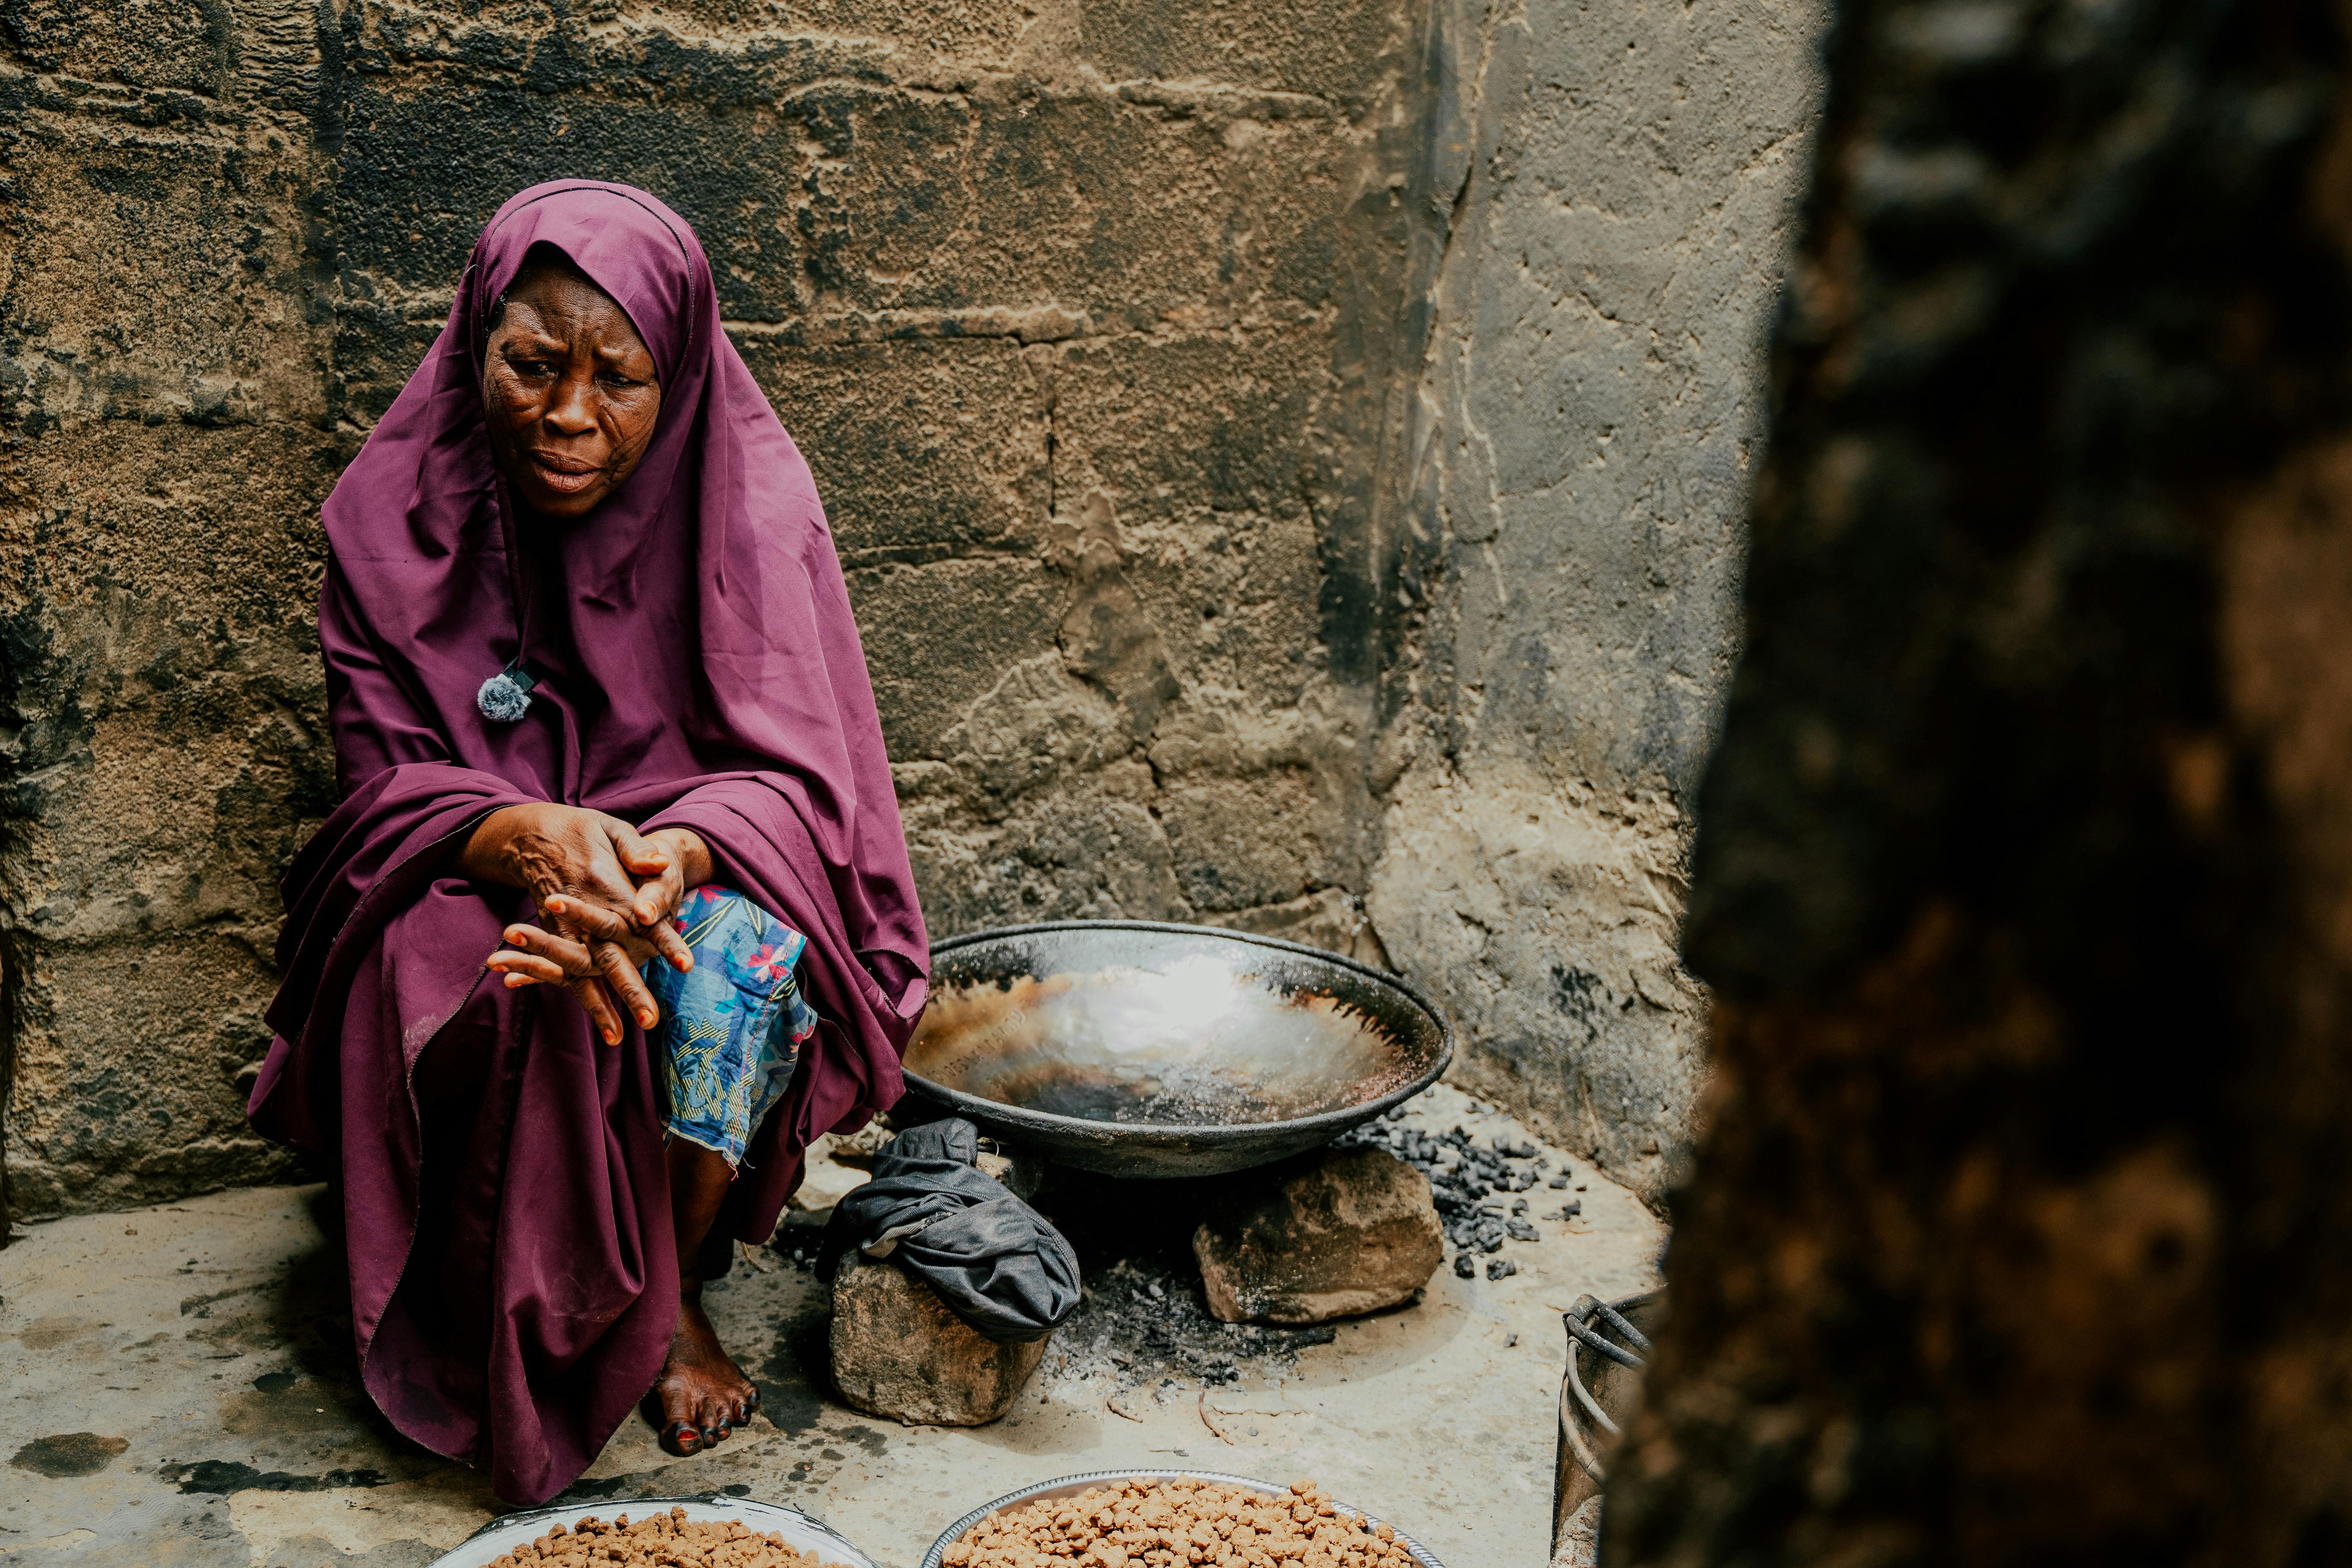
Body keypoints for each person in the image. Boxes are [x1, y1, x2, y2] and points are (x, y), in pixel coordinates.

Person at [247, 181, 929, 1506]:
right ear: (470, 348)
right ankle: (478, 1285)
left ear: (676, 377)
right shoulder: (387, 520)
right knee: (488, 980)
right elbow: (381, 791)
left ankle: (660, 1293)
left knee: (731, 964)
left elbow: (802, 782)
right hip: (462, 867)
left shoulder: (750, 515)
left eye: (619, 379)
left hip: (674, 871)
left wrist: (673, 856)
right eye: (531, 365)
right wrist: (514, 835)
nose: (569, 416)